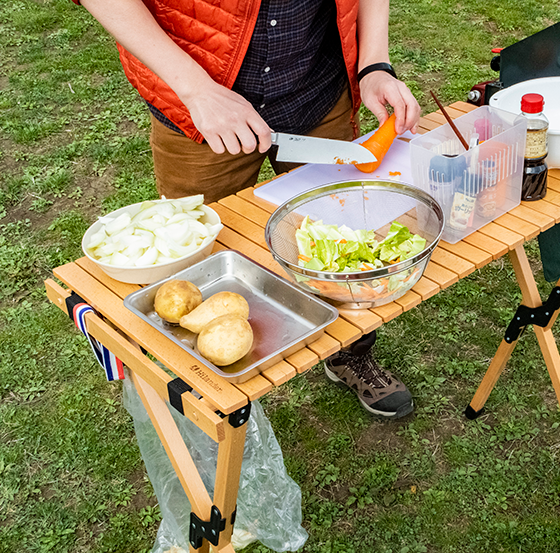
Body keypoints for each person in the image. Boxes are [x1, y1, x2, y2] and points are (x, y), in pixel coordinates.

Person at [73, 0, 420, 419]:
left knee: (343, 243)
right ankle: (201, 387)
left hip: (316, 90)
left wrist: (374, 64)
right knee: (189, 261)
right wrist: (195, 88)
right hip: (198, 109)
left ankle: (350, 352)